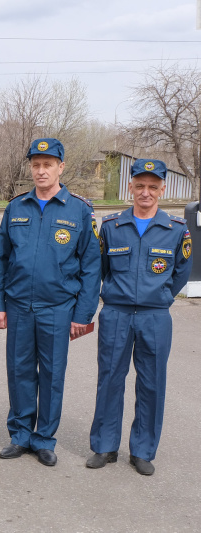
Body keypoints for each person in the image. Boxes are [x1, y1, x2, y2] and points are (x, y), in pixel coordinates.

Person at [0, 138, 101, 467]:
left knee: (52, 374)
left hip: (58, 307)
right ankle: (21, 434)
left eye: (48, 164)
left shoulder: (79, 210)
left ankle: (44, 438)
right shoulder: (16, 207)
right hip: (19, 305)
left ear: (60, 167)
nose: (41, 171)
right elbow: (1, 260)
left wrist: (83, 314)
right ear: (31, 167)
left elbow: (92, 266)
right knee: (19, 370)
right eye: (36, 165)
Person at [86, 159, 191, 476]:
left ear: (161, 189)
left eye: (153, 186)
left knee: (152, 384)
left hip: (155, 317)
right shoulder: (111, 226)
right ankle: (105, 446)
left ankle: (143, 450)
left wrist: (158, 297)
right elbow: (99, 269)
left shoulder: (176, 230)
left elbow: (180, 275)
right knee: (109, 381)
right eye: (140, 185)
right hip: (116, 313)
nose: (146, 192)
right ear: (130, 187)